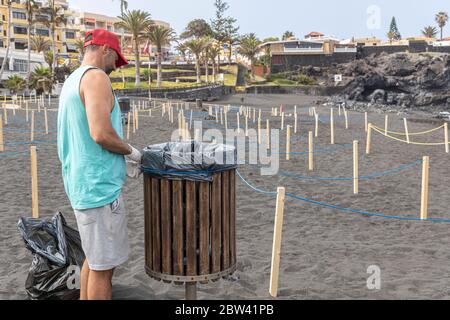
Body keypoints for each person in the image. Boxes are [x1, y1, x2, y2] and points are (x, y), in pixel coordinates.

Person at [57, 29, 142, 300]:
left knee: (93, 260)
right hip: (98, 188)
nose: (115, 67)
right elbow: (101, 134)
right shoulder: (96, 77)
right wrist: (131, 152)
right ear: (105, 49)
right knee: (103, 268)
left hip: (81, 183)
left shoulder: (72, 79)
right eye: (116, 59)